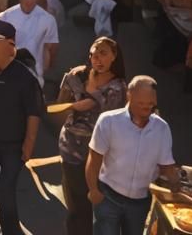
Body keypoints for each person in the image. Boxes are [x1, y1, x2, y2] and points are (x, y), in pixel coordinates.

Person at [0, 19, 44, 235]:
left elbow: (34, 113)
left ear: (9, 44)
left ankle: (11, 230)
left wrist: (29, 145)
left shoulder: (25, 77)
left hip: (13, 145)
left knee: (5, 191)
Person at [86, 76, 179, 235]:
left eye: (150, 104)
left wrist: (177, 187)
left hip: (140, 203)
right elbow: (94, 159)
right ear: (129, 96)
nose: (146, 109)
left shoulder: (162, 129)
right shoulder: (108, 121)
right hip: (108, 197)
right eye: (141, 104)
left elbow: (167, 165)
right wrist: (93, 190)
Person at [56, 37, 128, 235]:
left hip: (97, 155)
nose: (97, 59)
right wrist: (69, 94)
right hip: (70, 149)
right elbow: (59, 107)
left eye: (103, 54)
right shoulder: (78, 76)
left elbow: (112, 118)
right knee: (74, 205)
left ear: (114, 56)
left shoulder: (118, 87)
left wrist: (88, 101)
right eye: (94, 55)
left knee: (92, 204)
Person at [0, 0, 60, 83]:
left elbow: (51, 49)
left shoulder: (49, 20)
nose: (29, 1)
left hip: (34, 77)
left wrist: (44, 68)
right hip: (9, 75)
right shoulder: (4, 17)